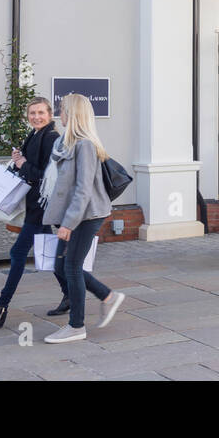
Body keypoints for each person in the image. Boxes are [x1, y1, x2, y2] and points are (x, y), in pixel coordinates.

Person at [0, 96, 66, 327]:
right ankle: (73, 295)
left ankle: (0, 308)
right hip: (35, 205)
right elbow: (30, 167)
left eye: (40, 113)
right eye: (32, 113)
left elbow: (45, 176)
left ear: (49, 114)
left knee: (17, 254)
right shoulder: (36, 134)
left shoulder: (51, 137)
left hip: (39, 208)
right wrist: (19, 161)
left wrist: (23, 163)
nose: (36, 117)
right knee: (50, 255)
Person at [39, 93, 124, 343]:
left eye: (62, 111)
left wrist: (68, 224)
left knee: (72, 267)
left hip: (87, 215)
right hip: (74, 215)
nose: (59, 115)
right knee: (60, 266)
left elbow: (83, 190)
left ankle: (76, 326)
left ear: (73, 114)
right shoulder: (66, 144)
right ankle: (108, 296)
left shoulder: (85, 145)